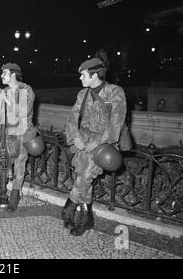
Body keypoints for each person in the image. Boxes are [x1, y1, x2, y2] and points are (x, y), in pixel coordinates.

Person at [63, 50, 127, 236]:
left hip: (104, 145)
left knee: (85, 175)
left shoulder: (115, 92)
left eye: (83, 75)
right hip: (83, 141)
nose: (80, 78)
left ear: (95, 75)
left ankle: (69, 207)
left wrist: (98, 141)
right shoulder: (83, 93)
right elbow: (72, 118)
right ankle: (87, 217)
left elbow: (116, 123)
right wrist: (75, 136)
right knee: (83, 176)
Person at [0, 63, 35, 212]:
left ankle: (16, 193)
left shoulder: (26, 89)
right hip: (7, 133)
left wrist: (10, 102)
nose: (1, 75)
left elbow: (25, 111)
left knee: (19, 163)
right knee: (3, 162)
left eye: (4, 73)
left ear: (13, 74)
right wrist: (1, 133)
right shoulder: (3, 92)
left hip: (22, 133)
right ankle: (3, 192)